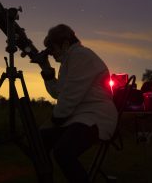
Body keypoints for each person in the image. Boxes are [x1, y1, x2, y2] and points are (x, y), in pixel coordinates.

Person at [39, 24, 117, 183]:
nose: (52, 54)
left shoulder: (80, 55)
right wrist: (46, 68)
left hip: (96, 117)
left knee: (63, 152)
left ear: (65, 44)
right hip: (80, 117)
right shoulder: (69, 60)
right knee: (40, 142)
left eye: (52, 48)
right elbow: (59, 93)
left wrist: (54, 121)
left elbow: (69, 97)